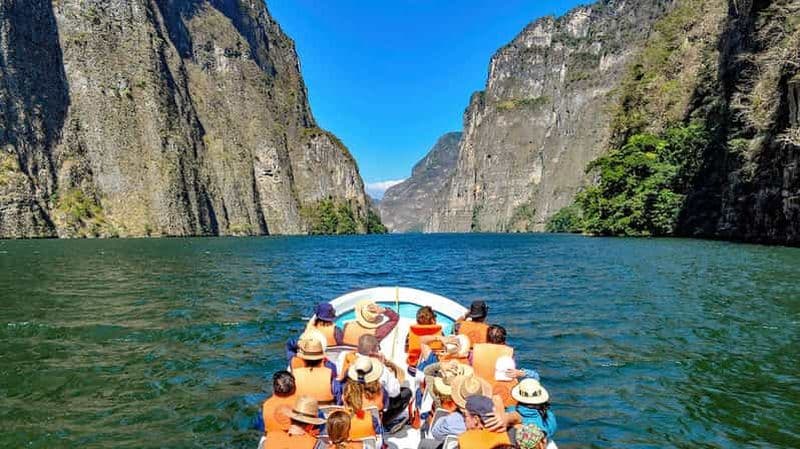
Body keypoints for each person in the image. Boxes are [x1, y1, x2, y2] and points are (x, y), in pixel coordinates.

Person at [341, 358, 384, 440]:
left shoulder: (346, 389)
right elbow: (383, 406)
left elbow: (343, 403)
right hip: (372, 433)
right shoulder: (380, 390)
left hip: (350, 430)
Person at [292, 337, 339, 404]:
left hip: (302, 410)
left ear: (304, 359)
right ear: (321, 359)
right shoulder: (330, 373)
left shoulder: (295, 374)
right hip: (326, 410)